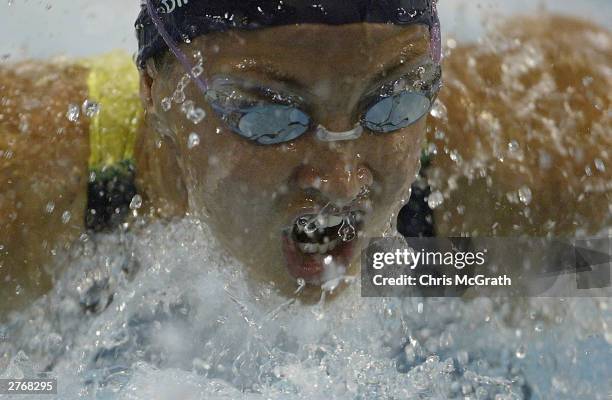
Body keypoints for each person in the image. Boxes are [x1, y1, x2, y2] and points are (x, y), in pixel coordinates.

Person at [0, 1, 610, 315]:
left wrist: (492, 273)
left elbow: (587, 272)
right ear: (156, 89)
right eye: (269, 115)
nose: (341, 182)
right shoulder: (27, 189)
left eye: (392, 105)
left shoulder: (508, 162)